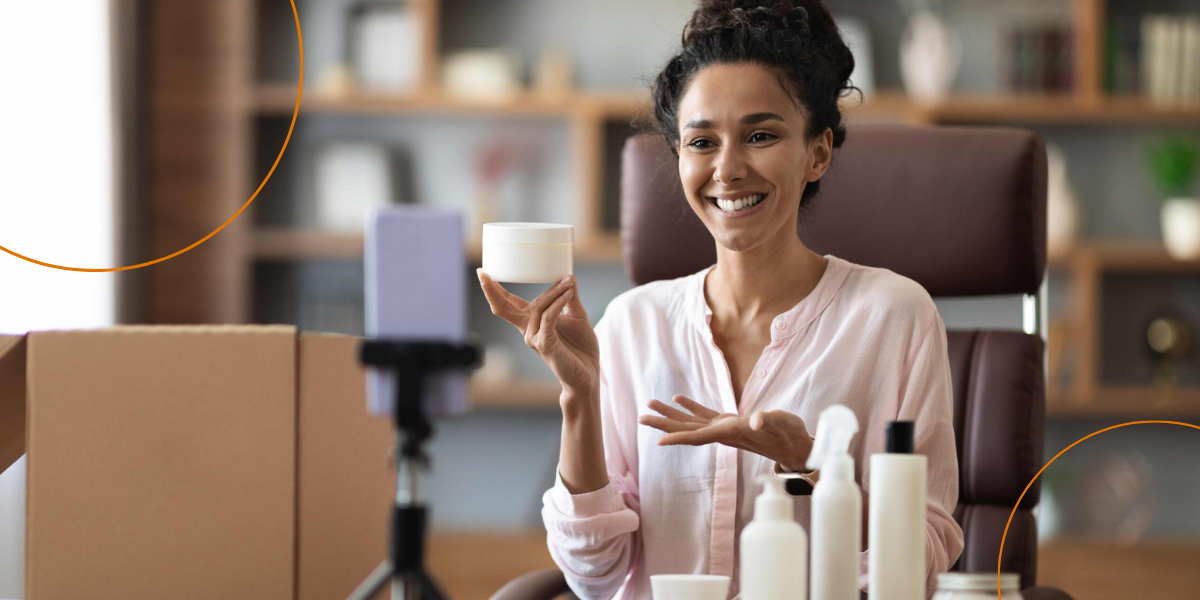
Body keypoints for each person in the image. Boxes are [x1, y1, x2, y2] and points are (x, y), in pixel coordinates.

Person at [478, 1, 963, 598]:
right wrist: (579, 397)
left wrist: (811, 465)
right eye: (701, 141)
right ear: (680, 158)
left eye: (761, 135)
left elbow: (919, 566)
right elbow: (593, 575)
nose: (728, 169)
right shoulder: (633, 326)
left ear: (818, 152)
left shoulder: (894, 317)